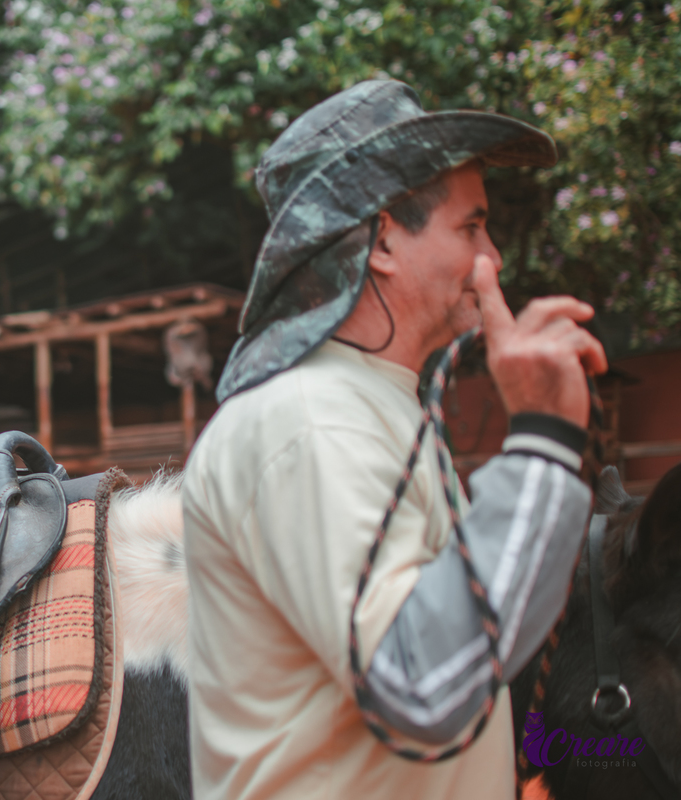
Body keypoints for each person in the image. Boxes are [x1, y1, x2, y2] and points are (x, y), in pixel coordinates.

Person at [183, 80, 607, 799]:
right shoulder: (310, 421)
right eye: (471, 228)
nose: (492, 259)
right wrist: (540, 438)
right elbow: (421, 687)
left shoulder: (372, 405)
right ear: (381, 240)